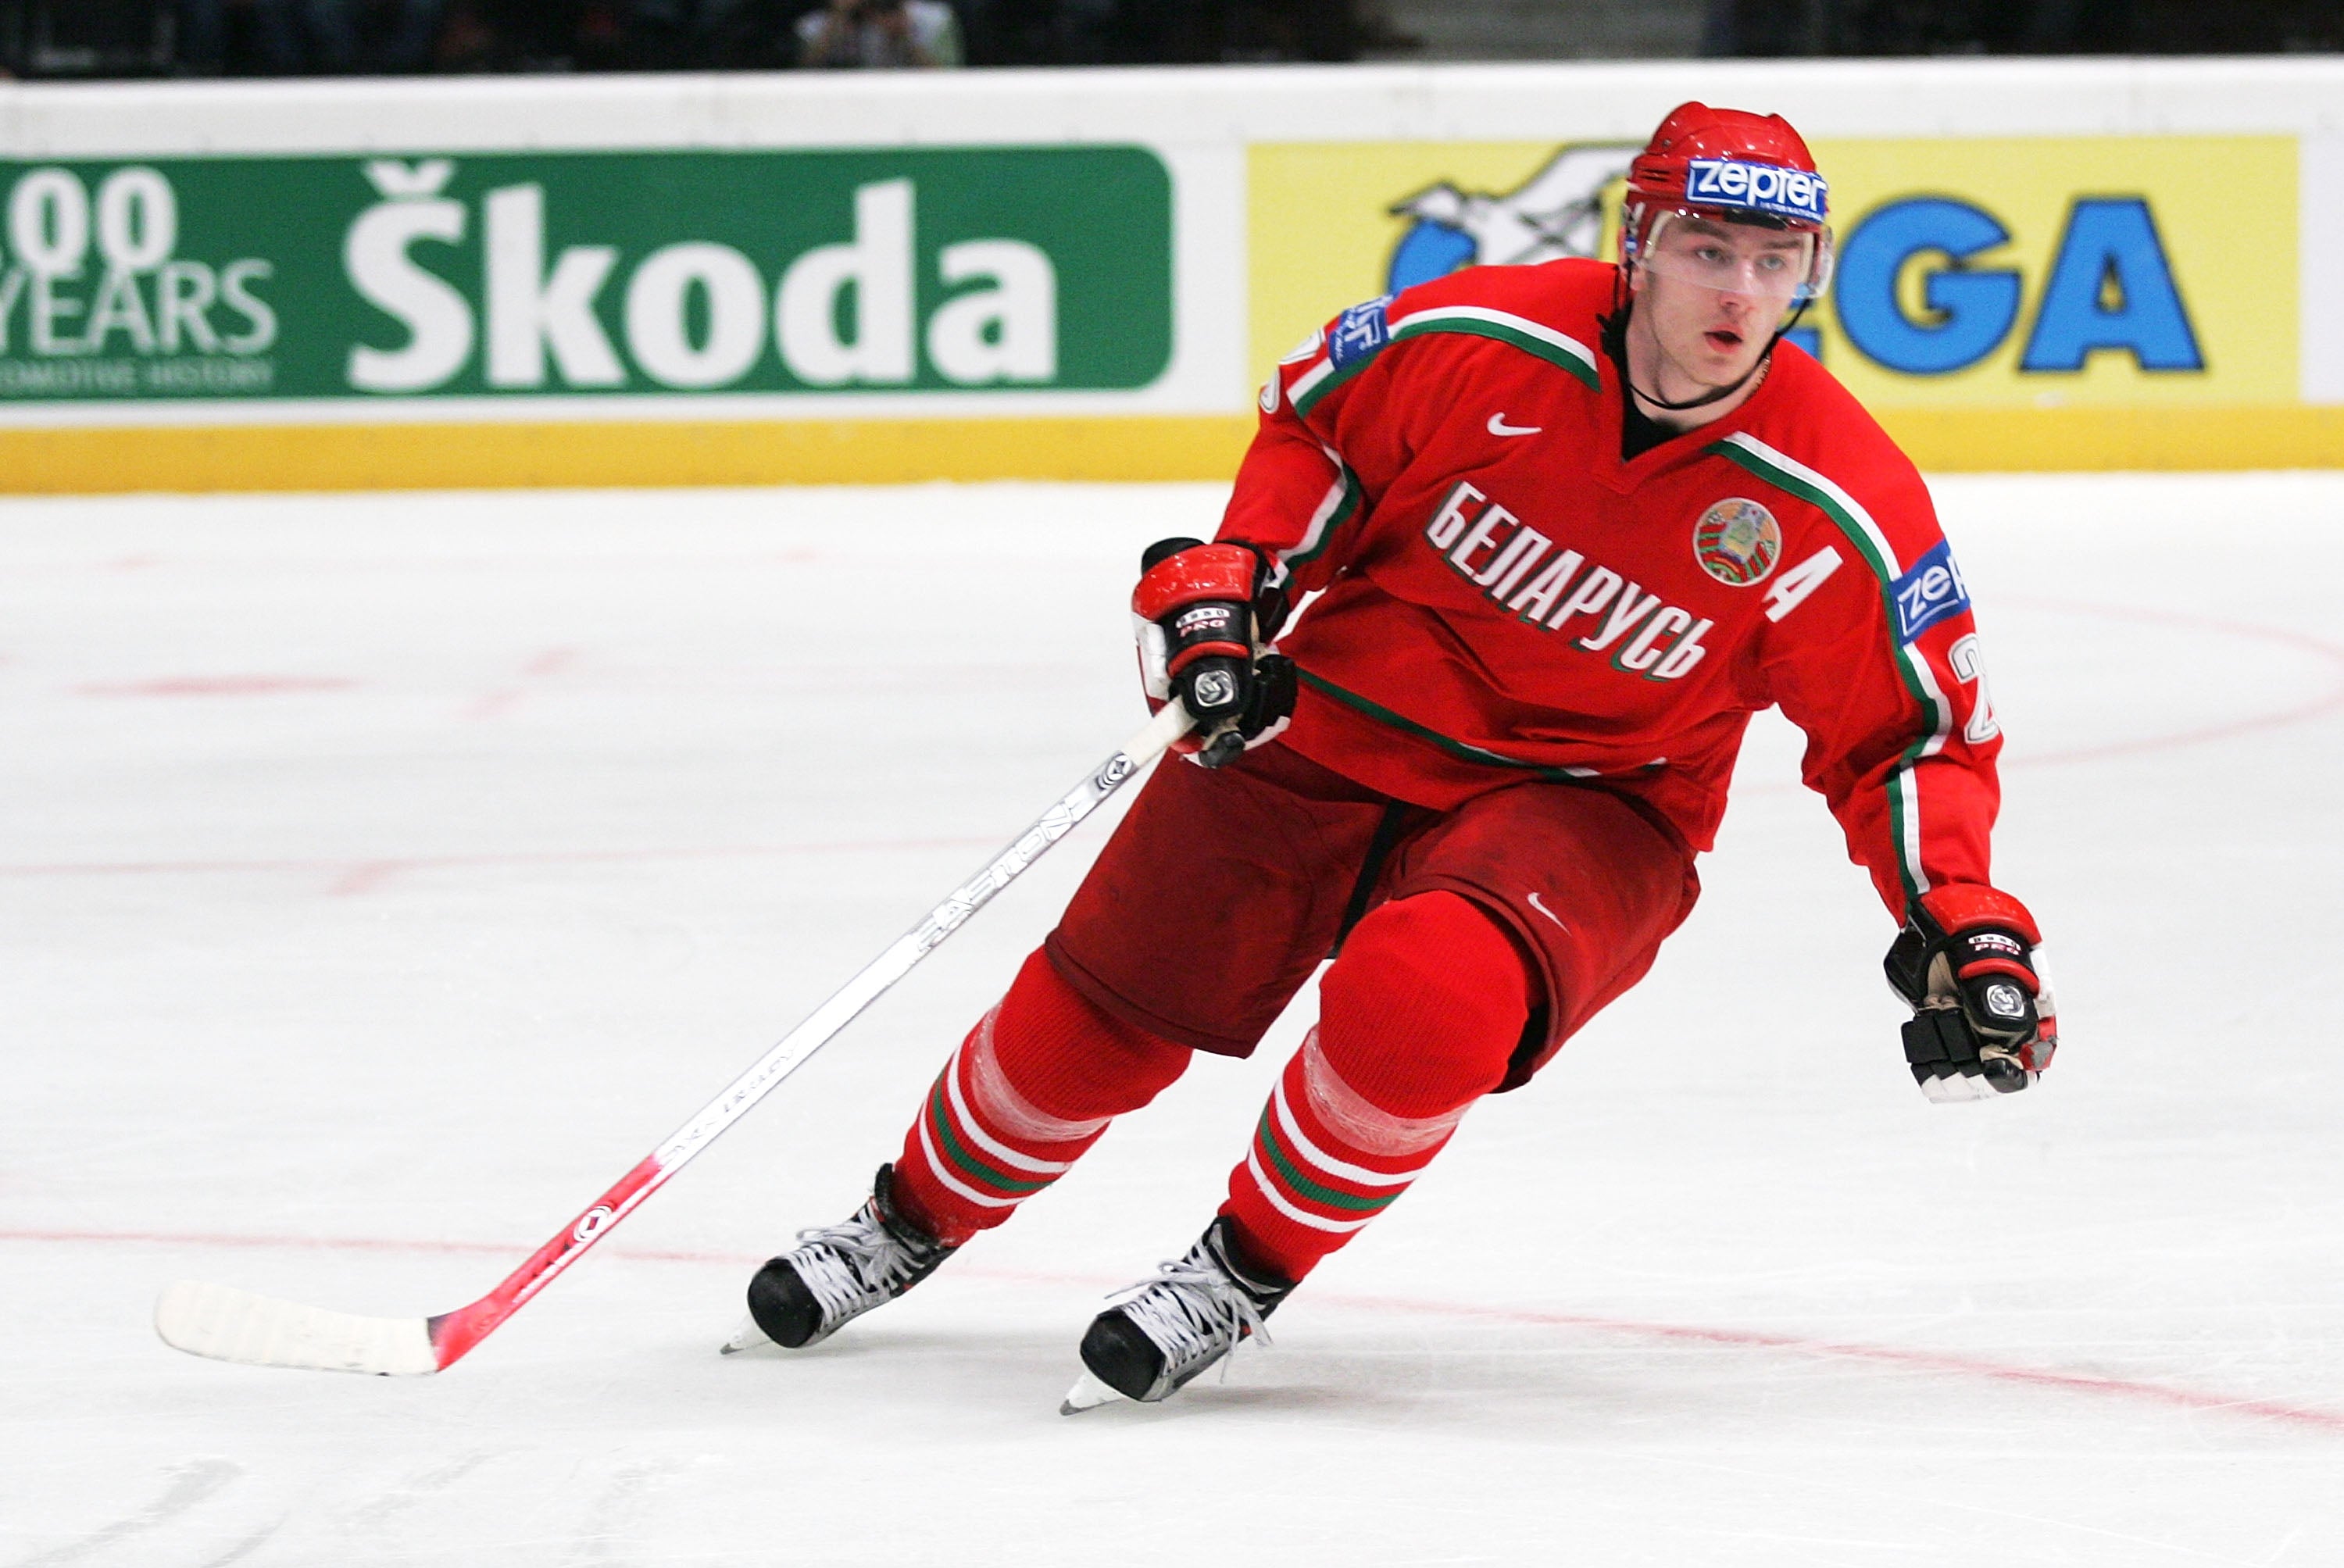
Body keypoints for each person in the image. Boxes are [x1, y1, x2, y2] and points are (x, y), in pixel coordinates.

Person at [723, 102, 2060, 1410]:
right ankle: (904, 1220)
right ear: (1640, 241)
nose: (1741, 292)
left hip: (1590, 800)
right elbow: (1314, 431)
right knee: (1092, 1026)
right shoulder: (1476, 334)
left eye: (1776, 263)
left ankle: (1238, 1272)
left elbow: (1909, 735)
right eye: (1709, 250)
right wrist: (1234, 589)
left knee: (1430, 994)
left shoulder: (1839, 497)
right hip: (1340, 720)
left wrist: (1962, 917)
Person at [796, 0, 963, 67]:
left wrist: (906, 37)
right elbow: (799, 76)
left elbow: (950, 81)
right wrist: (838, 17)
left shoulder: (934, 19)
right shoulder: (814, 26)